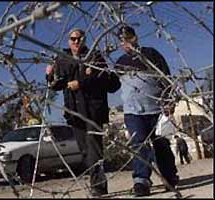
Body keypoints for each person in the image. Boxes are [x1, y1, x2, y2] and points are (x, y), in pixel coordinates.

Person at [45, 28, 120, 197]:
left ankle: (98, 187)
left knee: (94, 150)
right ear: (68, 41)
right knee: (85, 151)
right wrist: (49, 76)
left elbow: (103, 80)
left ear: (84, 40)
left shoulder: (95, 57)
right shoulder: (62, 60)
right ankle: (97, 182)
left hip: (93, 112)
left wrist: (82, 82)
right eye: (73, 39)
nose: (76, 41)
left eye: (79, 38)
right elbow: (56, 85)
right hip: (74, 112)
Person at [114, 25, 179, 197]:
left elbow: (166, 78)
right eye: (122, 40)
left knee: (161, 145)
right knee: (139, 145)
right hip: (133, 112)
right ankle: (141, 181)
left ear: (135, 37)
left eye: (128, 37)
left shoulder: (151, 54)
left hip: (157, 109)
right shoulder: (120, 62)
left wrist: (170, 101)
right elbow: (112, 85)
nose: (126, 42)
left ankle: (170, 178)